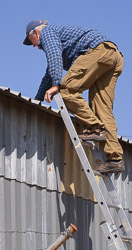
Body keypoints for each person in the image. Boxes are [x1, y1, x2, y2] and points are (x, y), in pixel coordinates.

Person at [23, 20, 125, 173]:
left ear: (36, 33)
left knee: (66, 91)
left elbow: (54, 57)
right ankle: (115, 159)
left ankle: (95, 129)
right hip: (113, 55)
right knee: (102, 109)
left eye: (32, 41)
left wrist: (57, 84)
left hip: (97, 51)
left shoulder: (47, 33)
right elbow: (49, 73)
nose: (35, 46)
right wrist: (36, 101)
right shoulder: (60, 39)